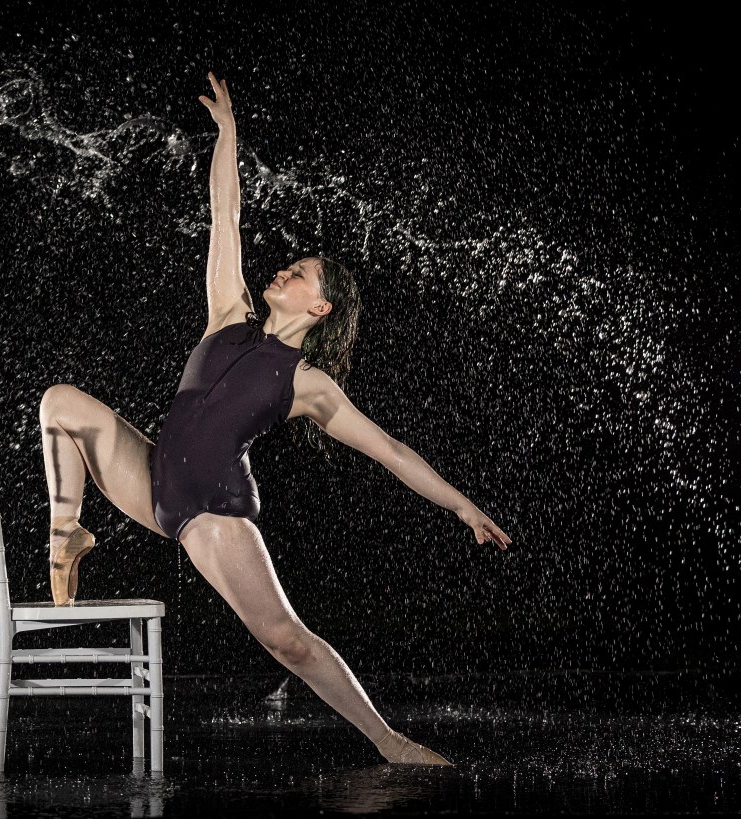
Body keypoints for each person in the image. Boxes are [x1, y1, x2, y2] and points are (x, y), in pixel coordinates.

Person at [39, 71, 513, 766]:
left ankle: (392, 742)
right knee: (59, 402)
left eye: (299, 274)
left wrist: (464, 506)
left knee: (285, 638)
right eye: (289, 266)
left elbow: (390, 450)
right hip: (152, 486)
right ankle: (67, 535)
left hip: (214, 510)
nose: (285, 273)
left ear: (319, 309)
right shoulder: (228, 312)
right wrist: (229, 135)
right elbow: (224, 213)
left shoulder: (308, 383)